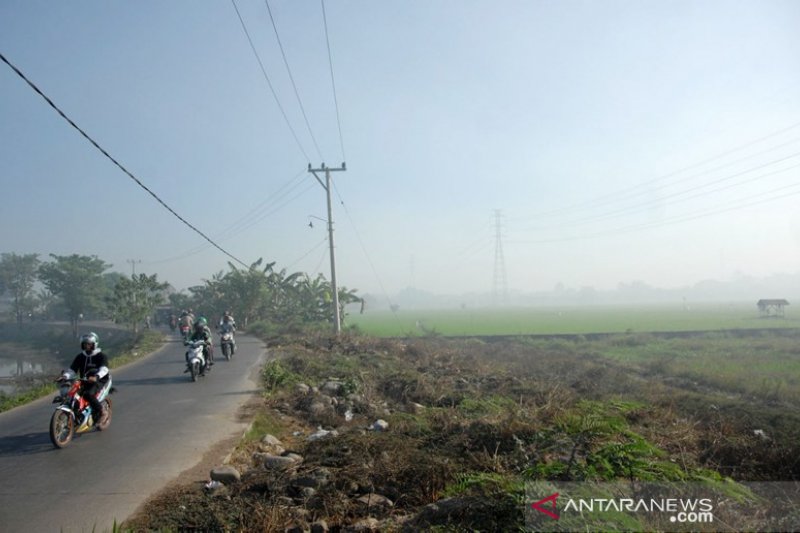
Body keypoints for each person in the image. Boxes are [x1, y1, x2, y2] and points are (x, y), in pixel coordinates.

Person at [69, 332, 110, 425]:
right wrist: (65, 376)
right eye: (85, 344)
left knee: (88, 394)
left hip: (99, 381)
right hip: (84, 380)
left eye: (89, 344)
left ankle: (103, 412)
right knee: (72, 395)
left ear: (94, 344)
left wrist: (97, 376)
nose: (87, 346)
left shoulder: (101, 356)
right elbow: (72, 369)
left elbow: (104, 369)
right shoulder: (80, 357)